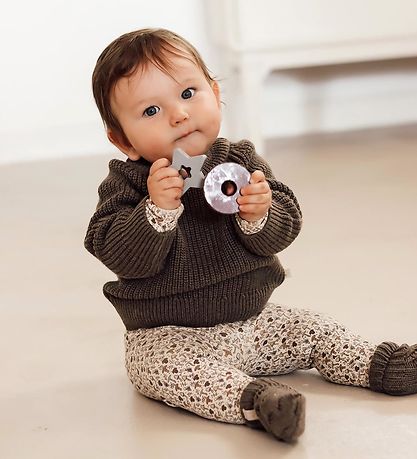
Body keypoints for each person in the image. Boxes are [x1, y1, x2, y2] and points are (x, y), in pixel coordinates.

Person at [84, 28, 417, 443]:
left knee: (313, 328)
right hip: (167, 335)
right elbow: (121, 255)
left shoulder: (239, 161)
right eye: (151, 110)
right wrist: (157, 210)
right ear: (122, 139)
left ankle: (379, 364)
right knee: (170, 373)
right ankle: (258, 402)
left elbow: (282, 228)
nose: (178, 115)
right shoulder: (129, 185)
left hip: (254, 323)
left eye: (188, 94)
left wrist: (259, 213)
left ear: (214, 91)